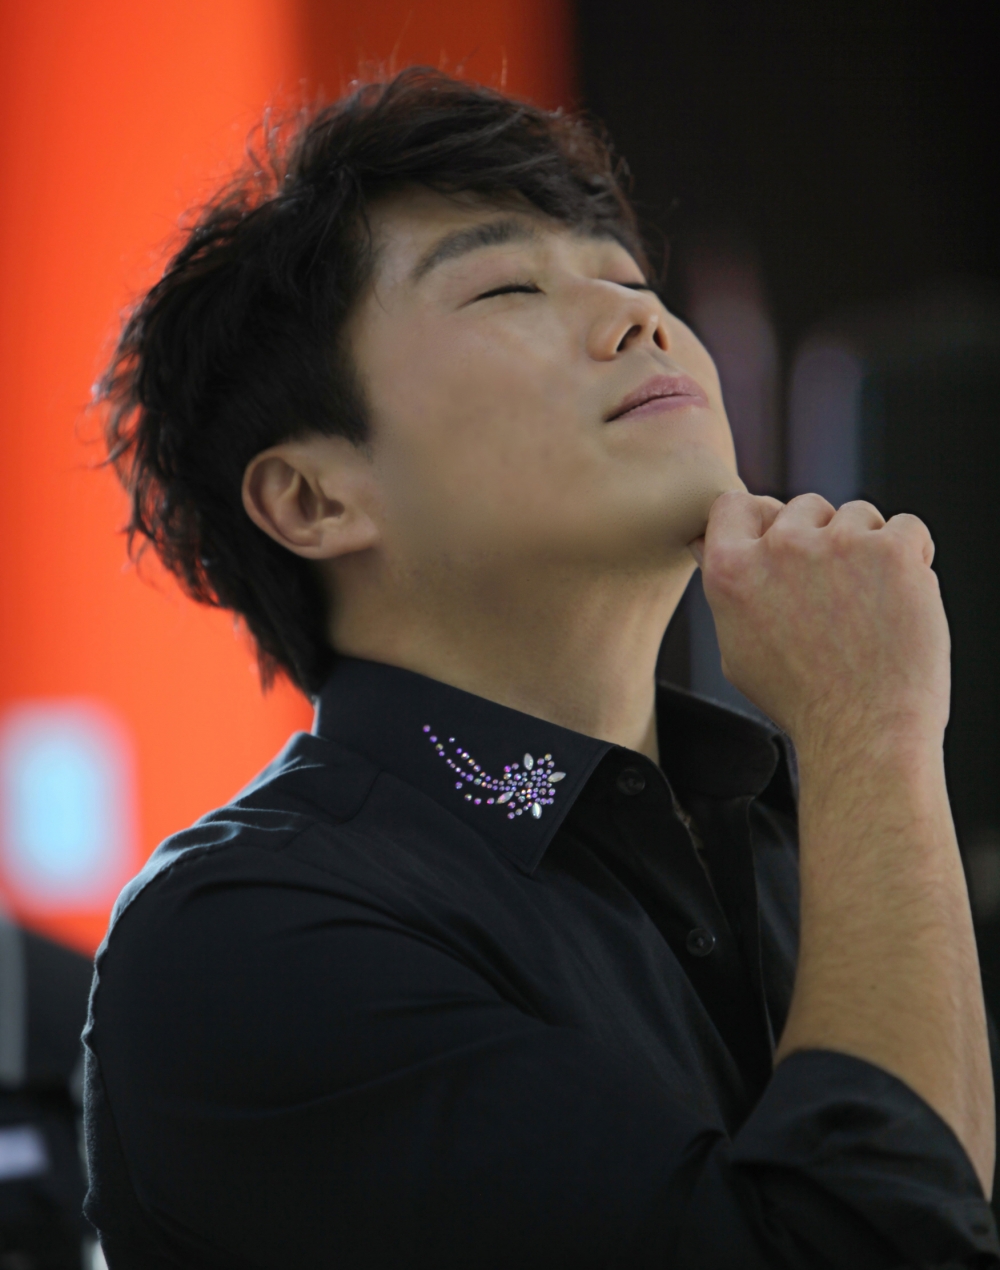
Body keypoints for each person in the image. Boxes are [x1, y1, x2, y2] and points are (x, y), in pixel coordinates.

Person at [82, 68, 998, 1268]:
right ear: (312, 497)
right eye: (507, 287)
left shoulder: (789, 834)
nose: (637, 320)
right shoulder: (243, 937)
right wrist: (872, 730)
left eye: (631, 280)